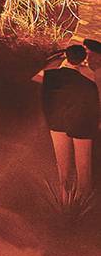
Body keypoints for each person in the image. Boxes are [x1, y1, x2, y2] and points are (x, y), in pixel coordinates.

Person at [34, 43, 98, 199]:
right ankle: (81, 209)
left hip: (56, 124)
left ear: (66, 57)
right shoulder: (88, 84)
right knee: (83, 172)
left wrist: (58, 58)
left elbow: (36, 79)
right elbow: (93, 108)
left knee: (64, 170)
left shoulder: (49, 77)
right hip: (81, 128)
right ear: (83, 60)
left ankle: (64, 203)